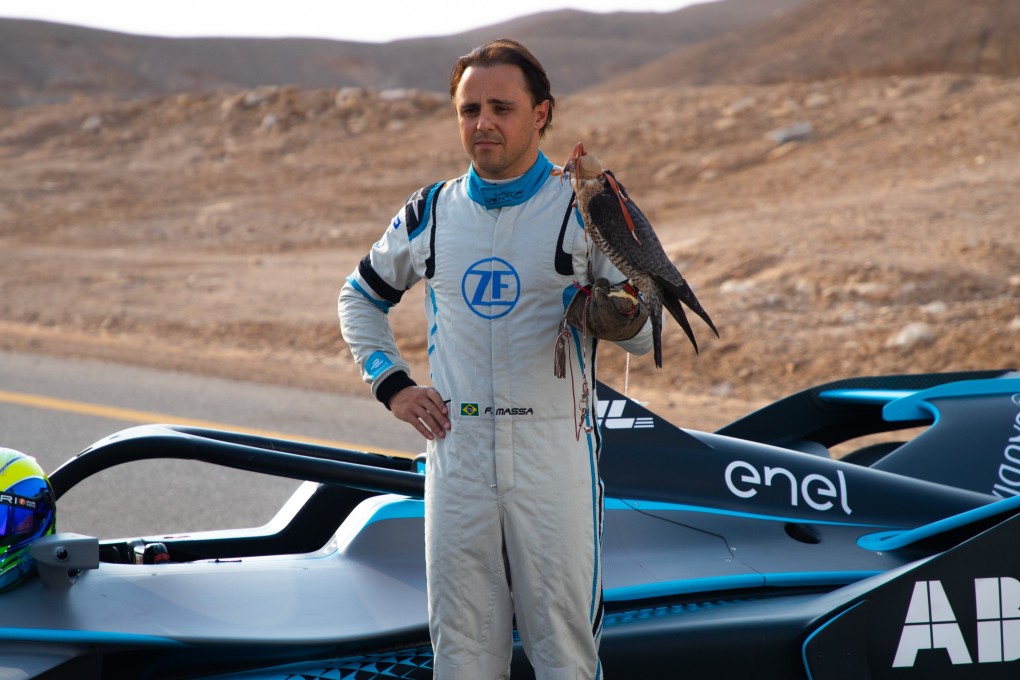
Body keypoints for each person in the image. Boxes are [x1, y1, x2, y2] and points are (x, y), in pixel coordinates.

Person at [338, 38, 651, 679]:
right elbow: (358, 298)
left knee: (564, 652)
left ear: (540, 114)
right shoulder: (430, 212)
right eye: (469, 108)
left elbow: (647, 339)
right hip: (458, 453)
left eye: (501, 107)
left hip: (552, 454)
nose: (483, 123)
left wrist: (623, 313)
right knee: (462, 653)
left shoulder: (586, 207)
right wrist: (391, 384)